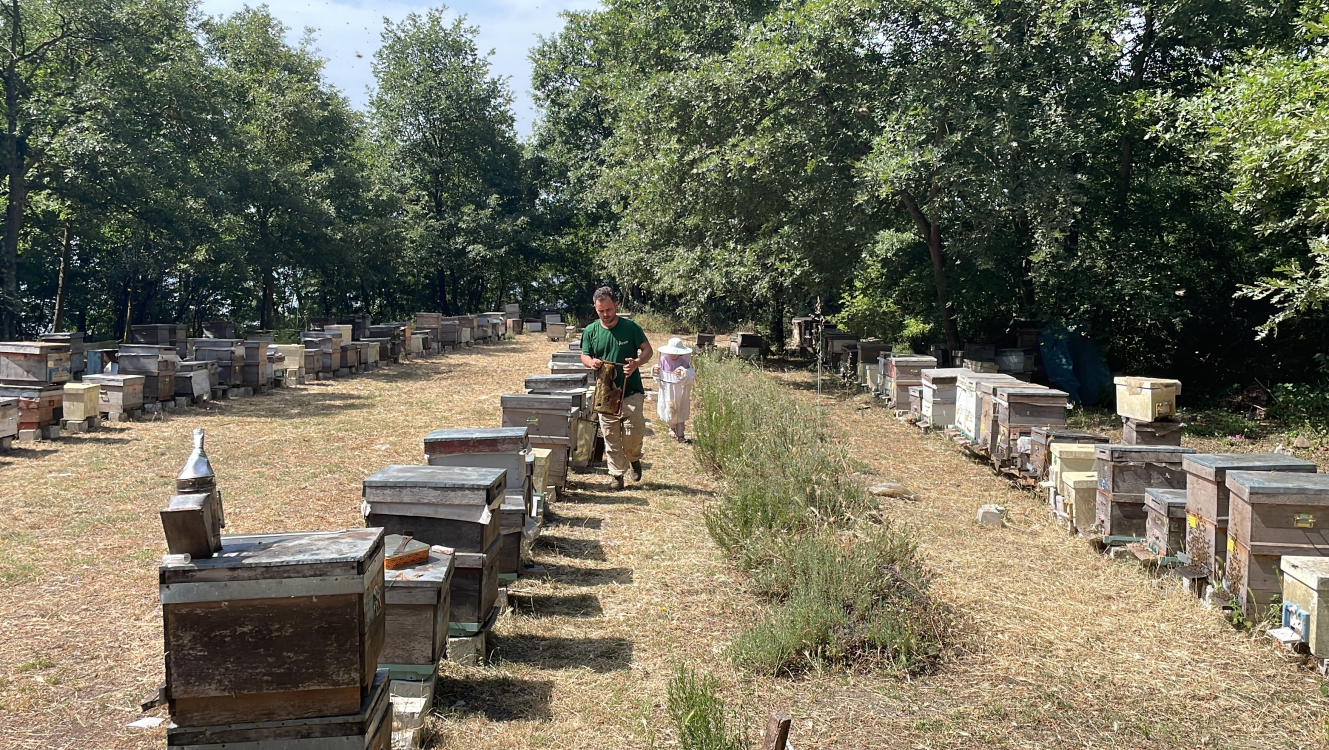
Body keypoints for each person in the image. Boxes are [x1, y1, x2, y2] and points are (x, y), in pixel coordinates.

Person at [580, 287, 654, 490]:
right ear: (595, 309)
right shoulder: (591, 331)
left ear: (616, 306)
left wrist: (637, 362)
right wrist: (591, 362)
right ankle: (616, 475)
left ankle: (634, 458)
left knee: (634, 434)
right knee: (610, 435)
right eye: (600, 310)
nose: (605, 314)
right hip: (605, 391)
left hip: (631, 390)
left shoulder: (631, 327)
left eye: (609, 309)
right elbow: (584, 355)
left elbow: (648, 349)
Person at [652, 337, 695, 442]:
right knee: (669, 407)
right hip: (667, 388)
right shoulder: (663, 359)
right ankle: (671, 428)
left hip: (679, 389)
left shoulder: (683, 361)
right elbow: (658, 374)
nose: (672, 355)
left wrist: (683, 372)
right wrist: (655, 370)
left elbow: (690, 374)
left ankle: (681, 435)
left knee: (680, 409)